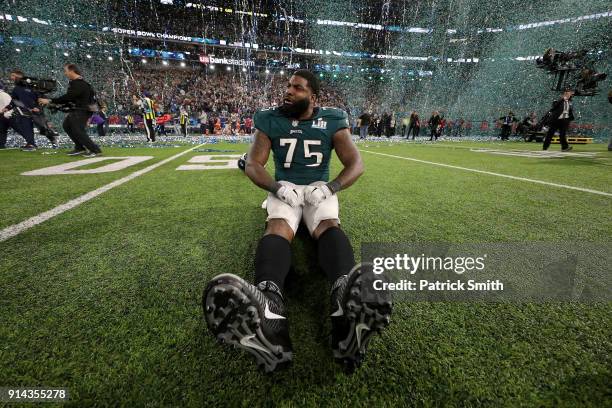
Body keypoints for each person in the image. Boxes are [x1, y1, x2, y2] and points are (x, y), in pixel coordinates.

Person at [202, 69, 392, 373]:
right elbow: (253, 164)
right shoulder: (269, 118)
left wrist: (331, 187)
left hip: (318, 188)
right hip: (286, 188)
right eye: (288, 86)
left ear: (313, 96)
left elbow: (356, 164)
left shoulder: (332, 118)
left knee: (328, 223)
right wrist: (277, 187)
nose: (288, 91)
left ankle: (344, 299)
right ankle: (269, 305)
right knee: (278, 224)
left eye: (297, 88)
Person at [38, 63, 102, 157]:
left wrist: (50, 100)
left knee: (78, 130)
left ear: (72, 71)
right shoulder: (77, 83)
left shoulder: (79, 83)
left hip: (82, 110)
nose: (65, 73)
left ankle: (95, 150)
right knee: (67, 125)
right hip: (79, 109)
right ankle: (79, 147)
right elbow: (72, 98)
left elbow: (69, 97)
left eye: (66, 71)